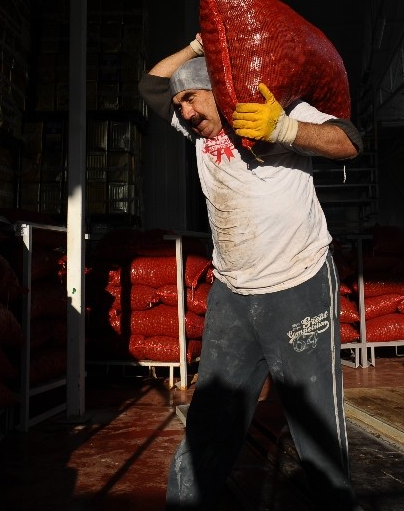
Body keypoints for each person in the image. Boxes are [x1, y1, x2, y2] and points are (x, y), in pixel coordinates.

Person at [138, 32, 363, 510]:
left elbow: (349, 142)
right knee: (212, 418)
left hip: (297, 283)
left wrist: (284, 130)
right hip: (233, 293)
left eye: (192, 99)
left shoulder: (271, 111)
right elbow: (152, 86)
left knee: (314, 417)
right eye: (180, 106)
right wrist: (195, 50)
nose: (186, 112)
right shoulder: (194, 128)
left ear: (217, 91)